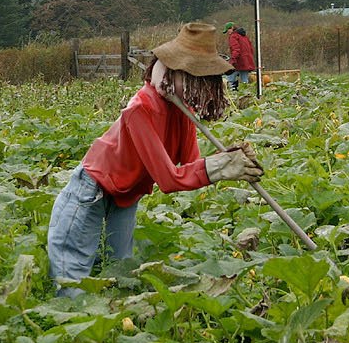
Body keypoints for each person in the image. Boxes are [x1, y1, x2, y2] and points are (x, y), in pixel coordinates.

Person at [47, 21, 262, 286]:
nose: (204, 86)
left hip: (127, 195)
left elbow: (192, 166)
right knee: (72, 274)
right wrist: (220, 168)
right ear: (174, 72)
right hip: (91, 191)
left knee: (120, 270)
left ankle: (119, 324)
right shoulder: (141, 108)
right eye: (196, 76)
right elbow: (170, 180)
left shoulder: (182, 111)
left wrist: (228, 158)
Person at [225, 24, 256, 90]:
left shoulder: (233, 36)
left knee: (230, 78)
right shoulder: (244, 36)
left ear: (232, 28)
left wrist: (232, 61)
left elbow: (236, 50)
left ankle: (231, 94)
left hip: (239, 61)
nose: (228, 33)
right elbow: (251, 49)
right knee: (244, 81)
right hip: (247, 61)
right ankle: (246, 95)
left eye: (228, 30)